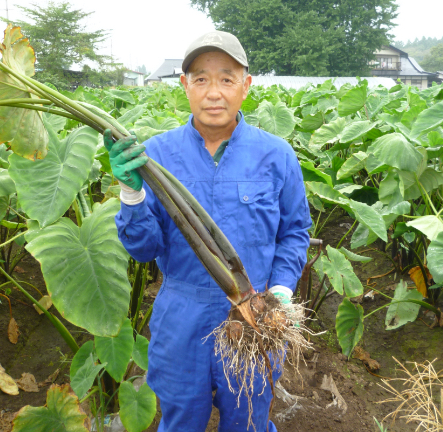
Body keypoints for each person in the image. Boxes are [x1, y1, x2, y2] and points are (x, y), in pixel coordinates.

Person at [104, 31, 311, 432]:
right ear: (184, 86)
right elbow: (144, 250)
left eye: (226, 79)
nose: (213, 92)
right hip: (183, 318)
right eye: (201, 79)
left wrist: (282, 291)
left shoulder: (276, 155)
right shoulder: (156, 155)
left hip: (255, 314)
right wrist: (131, 191)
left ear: (246, 87)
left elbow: (295, 231)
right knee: (181, 421)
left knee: (248, 420)